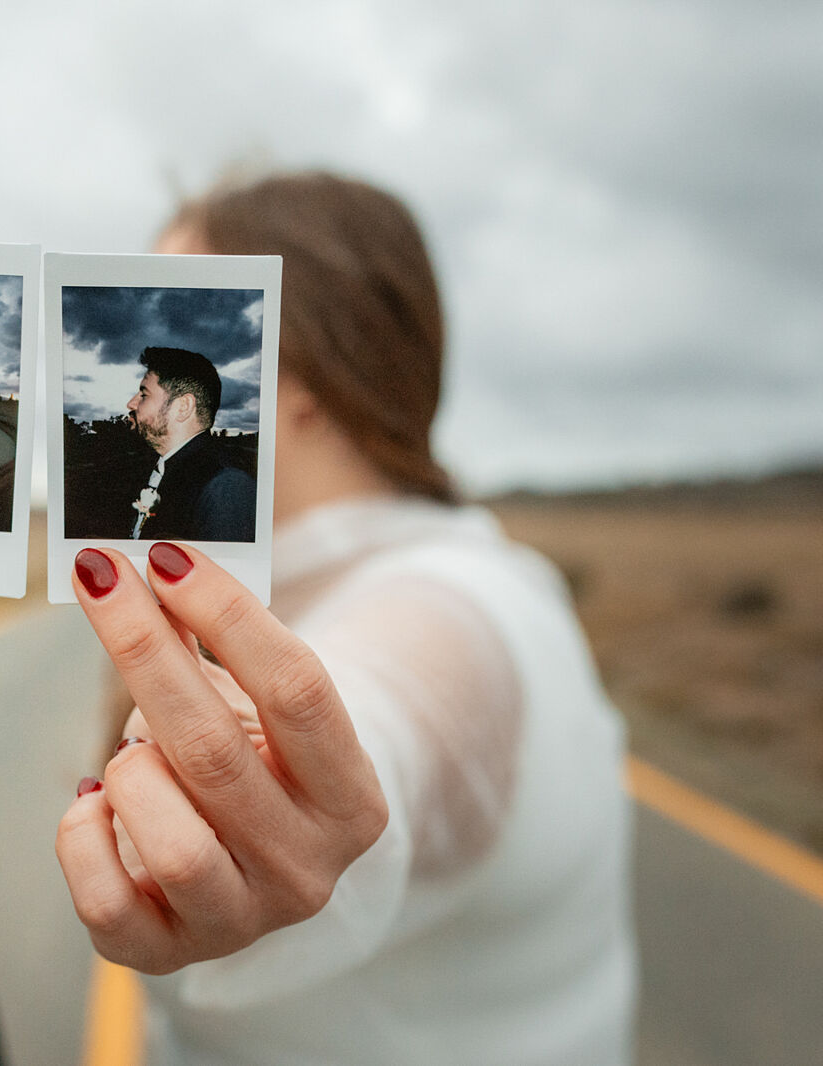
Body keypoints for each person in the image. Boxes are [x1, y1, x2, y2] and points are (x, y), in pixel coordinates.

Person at [56, 172, 636, 1065]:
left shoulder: (455, 605)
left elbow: (397, 721)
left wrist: (292, 786)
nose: (140, 346)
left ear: (308, 375)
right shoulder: (481, 565)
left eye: (187, 300)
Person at [124, 346, 255, 541]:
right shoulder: (161, 468)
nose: (131, 404)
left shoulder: (226, 487)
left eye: (144, 394)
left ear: (183, 407)